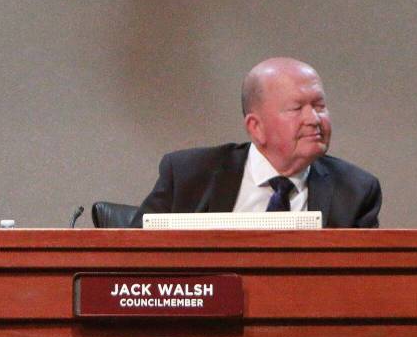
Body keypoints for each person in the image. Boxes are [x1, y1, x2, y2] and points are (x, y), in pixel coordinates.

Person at [132, 57, 381, 227]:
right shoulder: (189, 174)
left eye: (319, 106)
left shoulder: (355, 190)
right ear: (256, 127)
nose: (314, 119)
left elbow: (363, 282)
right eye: (297, 108)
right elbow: (130, 258)